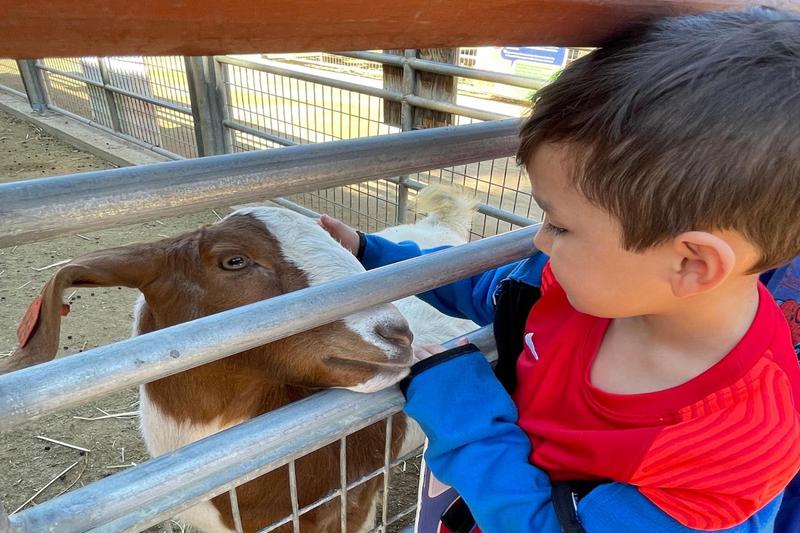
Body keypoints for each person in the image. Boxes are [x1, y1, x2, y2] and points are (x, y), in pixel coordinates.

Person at [321, 8, 800, 532]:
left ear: (691, 263)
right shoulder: (603, 285)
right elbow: (501, 293)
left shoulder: (733, 447)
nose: (540, 240)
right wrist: (375, 254)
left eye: (562, 225)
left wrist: (461, 406)